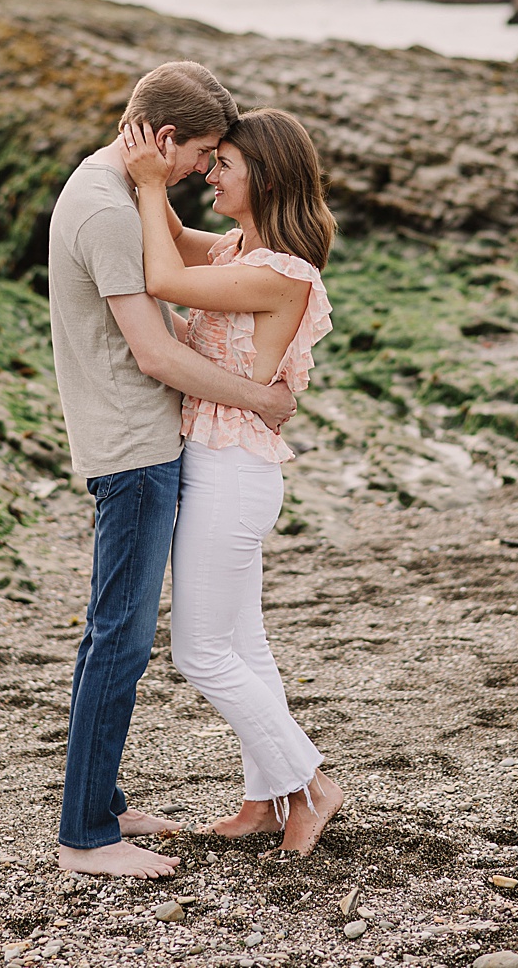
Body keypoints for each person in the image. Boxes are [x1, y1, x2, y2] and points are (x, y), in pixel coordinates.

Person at [47, 61, 297, 880]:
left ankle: (103, 803)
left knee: (113, 634)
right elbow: (155, 353)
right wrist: (260, 399)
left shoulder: (103, 189)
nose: (200, 172)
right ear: (164, 140)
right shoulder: (107, 212)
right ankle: (87, 835)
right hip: (136, 451)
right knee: (119, 638)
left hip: (137, 443)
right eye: (199, 156)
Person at [120, 107, 345, 858]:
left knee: (202, 652)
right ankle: (266, 798)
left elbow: (159, 274)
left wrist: (154, 184)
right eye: (207, 162)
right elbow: (170, 245)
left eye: (225, 166)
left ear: (266, 177)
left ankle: (312, 786)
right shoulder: (239, 249)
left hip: (233, 469)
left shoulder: (280, 272)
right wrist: (142, 173)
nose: (210, 174)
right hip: (220, 461)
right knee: (243, 645)